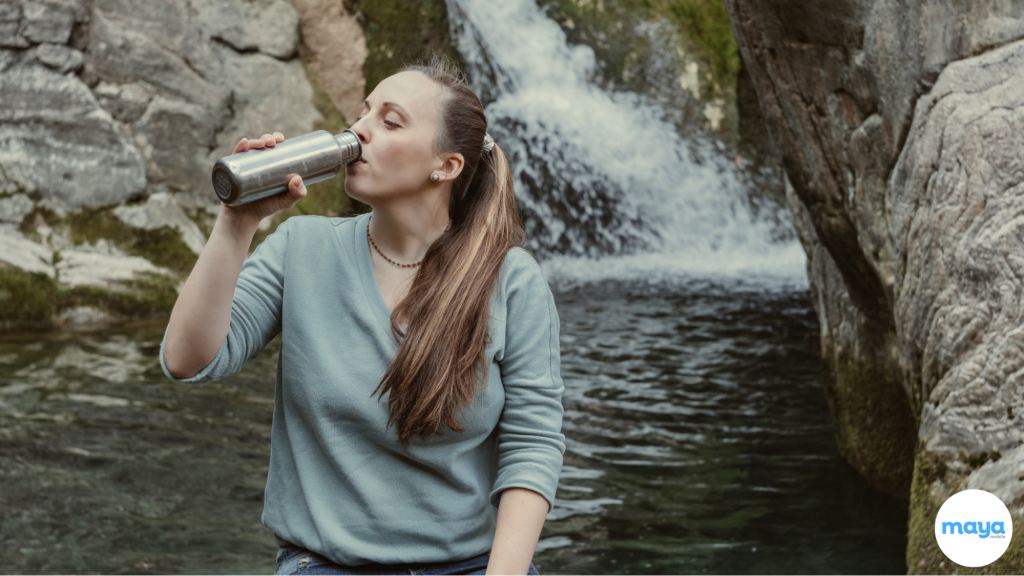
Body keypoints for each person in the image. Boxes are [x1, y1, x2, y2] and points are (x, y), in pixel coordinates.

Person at [160, 56, 565, 576]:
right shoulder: (300, 248)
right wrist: (236, 225)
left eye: (390, 122)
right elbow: (187, 359)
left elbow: (532, 444)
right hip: (325, 565)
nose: (358, 130)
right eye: (363, 113)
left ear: (446, 166)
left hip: (473, 566)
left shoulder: (511, 280)